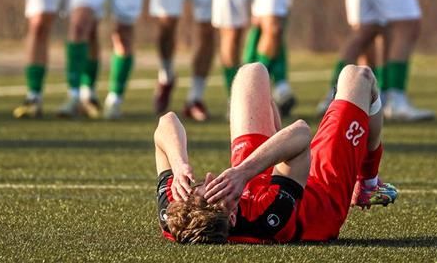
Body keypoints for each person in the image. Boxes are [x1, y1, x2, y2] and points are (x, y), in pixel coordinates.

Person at [155, 63, 396, 244]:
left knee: (252, 73)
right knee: (357, 76)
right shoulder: (270, 217)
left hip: (256, 180)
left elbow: (166, 123)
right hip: (318, 195)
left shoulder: (175, 217)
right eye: (218, 189)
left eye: (199, 185)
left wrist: (179, 166)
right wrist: (242, 172)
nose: (209, 177)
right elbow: (301, 133)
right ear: (232, 219)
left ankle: (271, 146)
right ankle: (367, 183)